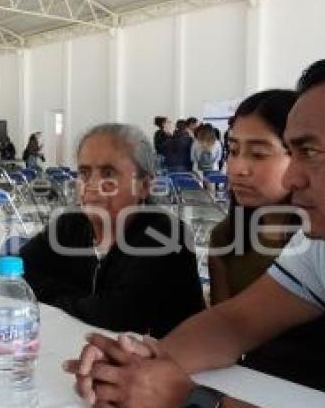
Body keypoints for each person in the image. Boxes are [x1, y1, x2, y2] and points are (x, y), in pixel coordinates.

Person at [65, 49, 325, 408]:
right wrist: (140, 364)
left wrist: (186, 406)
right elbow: (236, 322)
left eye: (310, 151)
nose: (291, 178)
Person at [209, 89, 325, 403]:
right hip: (257, 389)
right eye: (233, 150)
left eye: (258, 154)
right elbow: (226, 330)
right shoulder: (226, 237)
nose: (238, 168)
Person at [18, 123, 204, 335]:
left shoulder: (166, 236)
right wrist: (84, 300)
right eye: (84, 173)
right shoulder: (69, 224)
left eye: (108, 173)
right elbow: (7, 275)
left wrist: (49, 292)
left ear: (144, 186)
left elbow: (115, 317)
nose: (92, 184)